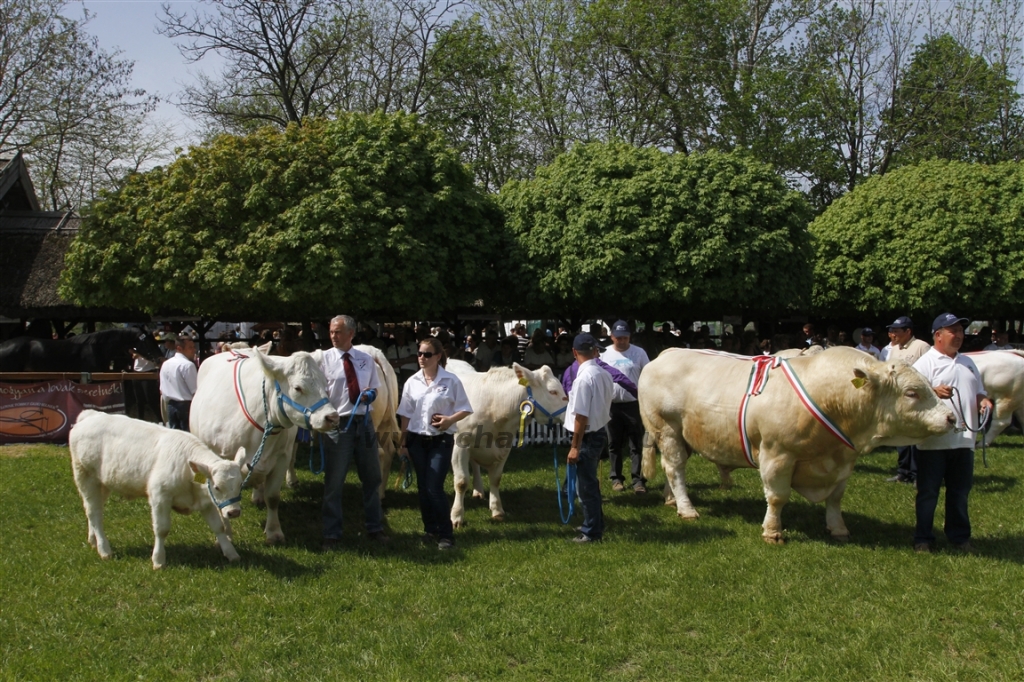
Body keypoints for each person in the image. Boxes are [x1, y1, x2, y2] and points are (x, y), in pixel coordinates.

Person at [911, 313, 993, 554]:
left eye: (960, 331)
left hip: (964, 440)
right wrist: (933, 391)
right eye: (953, 331)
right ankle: (923, 538)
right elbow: (910, 398)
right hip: (934, 442)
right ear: (938, 336)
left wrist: (983, 401)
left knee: (960, 493)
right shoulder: (924, 365)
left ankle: (959, 537)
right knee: (928, 493)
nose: (959, 336)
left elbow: (978, 391)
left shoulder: (968, 362)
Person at [397, 337, 473, 550]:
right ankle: (430, 529)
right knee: (423, 487)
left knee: (434, 487)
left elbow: (466, 408)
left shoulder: (451, 380)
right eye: (419, 353)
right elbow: (405, 414)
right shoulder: (412, 381)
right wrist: (402, 443)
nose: (422, 358)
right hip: (416, 440)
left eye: (427, 354)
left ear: (438, 356)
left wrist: (450, 420)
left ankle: (446, 534)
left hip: (440, 440)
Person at [319, 315, 388, 549]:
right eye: (331, 332)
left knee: (372, 478)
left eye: (338, 332)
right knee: (334, 481)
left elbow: (374, 388)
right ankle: (332, 532)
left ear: (351, 334)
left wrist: (371, 395)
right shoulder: (323, 361)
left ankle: (375, 527)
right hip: (339, 425)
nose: (333, 336)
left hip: (364, 422)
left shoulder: (365, 360)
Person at [564, 333, 613, 543]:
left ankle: (591, 531)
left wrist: (575, 446)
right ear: (595, 351)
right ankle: (595, 521)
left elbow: (581, 416)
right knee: (589, 483)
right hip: (599, 429)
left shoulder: (584, 378)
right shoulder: (604, 374)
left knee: (586, 487)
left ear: (575, 352)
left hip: (586, 435)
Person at [599, 320, 650, 494]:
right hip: (612, 405)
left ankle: (638, 480)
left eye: (625, 338)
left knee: (636, 443)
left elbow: (648, 374)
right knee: (614, 443)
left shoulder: (639, 353)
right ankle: (616, 478)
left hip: (634, 404)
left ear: (629, 337)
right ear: (612, 336)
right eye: (618, 338)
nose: (621, 341)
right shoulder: (604, 353)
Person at [885, 316, 932, 484]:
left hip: (916, 400)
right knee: (901, 436)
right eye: (892, 331)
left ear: (908, 331)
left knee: (915, 437)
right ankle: (903, 471)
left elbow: (928, 372)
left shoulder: (921, 347)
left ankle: (917, 473)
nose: (892, 334)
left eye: (896, 331)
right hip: (898, 399)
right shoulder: (894, 349)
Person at [159, 335, 197, 431]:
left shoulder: (166, 364)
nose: (193, 350)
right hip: (186, 406)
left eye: (193, 347)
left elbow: (161, 388)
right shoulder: (188, 365)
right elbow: (195, 391)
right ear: (179, 348)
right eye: (190, 347)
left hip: (170, 405)